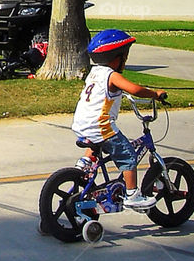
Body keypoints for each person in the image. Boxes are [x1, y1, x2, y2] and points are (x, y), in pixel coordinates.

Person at [72, 30, 168, 211]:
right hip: (100, 126)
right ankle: (132, 195)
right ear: (116, 58)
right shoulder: (112, 75)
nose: (126, 60)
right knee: (128, 155)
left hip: (81, 124)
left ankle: (84, 165)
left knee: (97, 144)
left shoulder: (94, 73)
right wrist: (155, 94)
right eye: (125, 56)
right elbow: (135, 89)